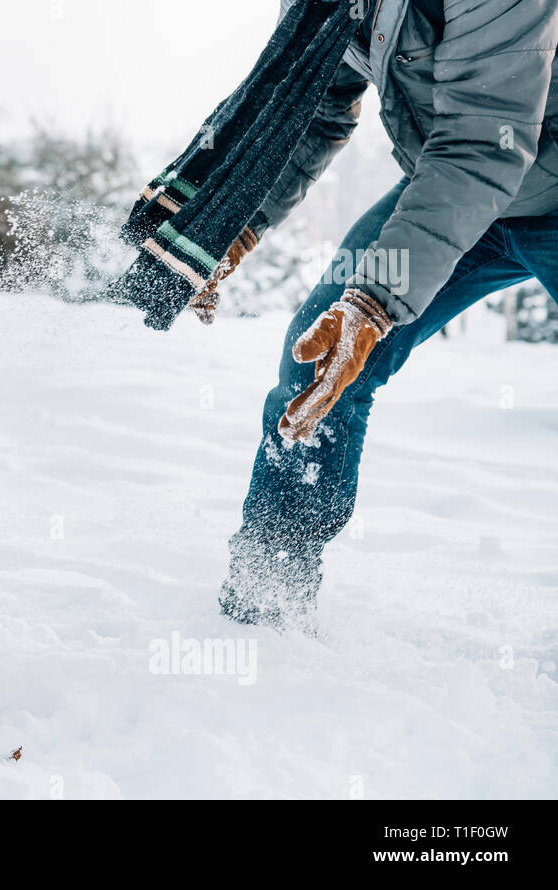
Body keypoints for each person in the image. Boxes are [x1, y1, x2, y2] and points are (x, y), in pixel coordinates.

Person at [215, 0, 558, 628]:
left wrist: (376, 301)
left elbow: (484, 139)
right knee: (324, 361)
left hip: (500, 170)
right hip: (455, 195)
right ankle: (272, 587)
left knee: (355, 324)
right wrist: (237, 222)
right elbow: (315, 110)